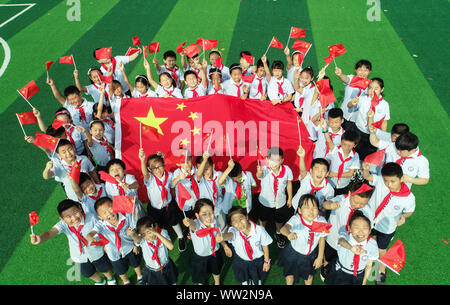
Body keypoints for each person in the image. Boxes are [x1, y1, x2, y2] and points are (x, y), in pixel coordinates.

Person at [30, 199, 116, 285]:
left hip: (97, 251)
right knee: (87, 273)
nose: (74, 218)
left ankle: (110, 278)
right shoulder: (63, 224)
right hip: (79, 256)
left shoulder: (91, 217)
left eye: (75, 212)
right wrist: (39, 238)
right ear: (62, 219)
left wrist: (105, 245)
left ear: (79, 208)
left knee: (105, 268)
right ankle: (100, 281)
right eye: (68, 216)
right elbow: (49, 233)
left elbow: (102, 230)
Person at [362, 162, 415, 285]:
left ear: (401, 179)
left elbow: (409, 211)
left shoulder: (409, 198)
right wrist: (365, 170)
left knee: (381, 250)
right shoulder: (381, 181)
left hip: (386, 228)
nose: (389, 184)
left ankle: (381, 272)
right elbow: (368, 177)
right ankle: (363, 264)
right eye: (386, 181)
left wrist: (403, 217)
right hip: (369, 220)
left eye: (392, 181)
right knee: (367, 242)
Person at [321, 182, 374, 280]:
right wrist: (330, 205)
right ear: (350, 193)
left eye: (362, 203)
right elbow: (325, 204)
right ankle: (326, 266)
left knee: (344, 260)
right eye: (355, 201)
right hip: (333, 239)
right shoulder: (340, 200)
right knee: (328, 257)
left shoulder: (368, 211)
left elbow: (369, 228)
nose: (358, 205)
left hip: (351, 244)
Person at [86, 197, 143, 285]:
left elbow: (136, 231)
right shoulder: (100, 224)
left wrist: (136, 245)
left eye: (110, 208)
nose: (109, 213)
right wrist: (90, 236)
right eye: (104, 213)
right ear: (100, 217)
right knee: (120, 271)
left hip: (130, 248)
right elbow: (92, 233)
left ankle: (140, 276)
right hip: (114, 253)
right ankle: (126, 281)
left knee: (136, 263)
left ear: (116, 206)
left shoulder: (127, 216)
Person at [139, 149, 186, 252]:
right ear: (149, 169)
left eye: (159, 166)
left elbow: (172, 184)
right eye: (154, 168)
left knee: (174, 222)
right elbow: (145, 174)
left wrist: (178, 178)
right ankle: (161, 239)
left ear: (164, 165)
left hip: (168, 205)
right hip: (155, 208)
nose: (158, 170)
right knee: (157, 224)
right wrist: (142, 160)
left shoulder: (169, 175)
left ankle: (180, 236)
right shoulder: (150, 178)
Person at [278, 194, 328, 285]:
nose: (311, 210)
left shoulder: (321, 221)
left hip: (311, 254)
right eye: (306, 207)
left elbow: (321, 239)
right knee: (290, 274)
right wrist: (288, 234)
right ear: (300, 210)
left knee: (309, 276)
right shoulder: (296, 219)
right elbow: (283, 228)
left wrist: (320, 257)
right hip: (293, 253)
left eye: (314, 207)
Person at [216, 206, 272, 285]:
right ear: (232, 224)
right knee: (243, 275)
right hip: (241, 260)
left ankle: (256, 280)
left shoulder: (259, 230)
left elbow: (265, 246)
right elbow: (229, 235)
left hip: (257, 260)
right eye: (235, 221)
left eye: (241, 219)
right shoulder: (233, 230)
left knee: (257, 277)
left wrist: (266, 261)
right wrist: (222, 236)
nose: (239, 224)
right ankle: (245, 281)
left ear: (246, 217)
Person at [182, 199, 232, 285]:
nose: (209, 217)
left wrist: (225, 246)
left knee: (216, 270)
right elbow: (192, 224)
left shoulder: (215, 221)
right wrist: (188, 222)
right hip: (200, 257)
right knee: (200, 276)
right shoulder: (196, 225)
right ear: (197, 215)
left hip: (215, 253)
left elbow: (218, 236)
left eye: (211, 213)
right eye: (204, 214)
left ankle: (217, 283)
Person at [325, 211, 378, 285]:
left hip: (358, 275)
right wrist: (351, 248)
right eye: (356, 228)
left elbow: (369, 265)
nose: (360, 232)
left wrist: (364, 281)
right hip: (340, 272)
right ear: (349, 228)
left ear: (369, 230)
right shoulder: (345, 235)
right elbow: (341, 241)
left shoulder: (372, 244)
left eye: (365, 228)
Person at [256, 147, 293, 248]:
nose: (274, 162)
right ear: (267, 159)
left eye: (277, 160)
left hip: (280, 201)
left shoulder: (287, 170)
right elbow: (259, 175)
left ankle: (278, 233)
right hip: (265, 201)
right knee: (263, 219)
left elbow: (289, 183)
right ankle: (261, 233)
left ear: (282, 160)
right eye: (271, 159)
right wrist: (259, 171)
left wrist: (290, 197)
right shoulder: (264, 169)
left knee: (279, 220)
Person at [127, 215, 179, 285]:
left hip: (166, 267)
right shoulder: (142, 238)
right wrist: (132, 235)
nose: (148, 236)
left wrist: (156, 233)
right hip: (151, 270)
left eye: (149, 232)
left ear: (155, 226)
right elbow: (137, 239)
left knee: (171, 281)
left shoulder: (162, 232)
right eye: (143, 234)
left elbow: (171, 247)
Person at [353, 78, 390, 159]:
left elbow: (384, 121)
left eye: (376, 88)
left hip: (372, 135)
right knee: (354, 152)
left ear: (382, 89)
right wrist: (351, 103)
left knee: (366, 156)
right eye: (370, 88)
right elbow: (350, 106)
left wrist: (383, 135)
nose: (372, 91)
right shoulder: (362, 99)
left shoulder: (385, 105)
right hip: (358, 131)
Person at [293, 146, 334, 214]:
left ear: (327, 173)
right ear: (311, 171)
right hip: (298, 207)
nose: (319, 172)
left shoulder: (329, 188)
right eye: (317, 169)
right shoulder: (307, 178)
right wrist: (302, 157)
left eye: (323, 170)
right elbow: (302, 170)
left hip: (314, 212)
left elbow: (327, 203)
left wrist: (322, 211)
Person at [335, 59, 372, 126]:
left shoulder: (370, 85)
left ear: (369, 71)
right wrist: (340, 74)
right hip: (343, 114)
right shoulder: (352, 78)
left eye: (366, 70)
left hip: (356, 119)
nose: (363, 73)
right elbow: (345, 79)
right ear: (356, 70)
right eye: (360, 70)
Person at [324, 130, 361, 196]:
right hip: (330, 182)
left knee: (338, 201)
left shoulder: (355, 156)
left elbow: (350, 174)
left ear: (355, 145)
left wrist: (333, 174)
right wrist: (324, 129)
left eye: (349, 145)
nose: (346, 147)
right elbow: (329, 140)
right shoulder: (335, 149)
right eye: (344, 144)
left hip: (343, 185)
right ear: (341, 141)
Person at [195, 152, 226, 230]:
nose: (204, 172)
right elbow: (199, 174)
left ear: (213, 166)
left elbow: (226, 183)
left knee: (222, 227)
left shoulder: (219, 175)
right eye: (201, 169)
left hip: (219, 208)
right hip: (206, 211)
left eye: (206, 168)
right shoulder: (200, 179)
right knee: (209, 229)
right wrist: (204, 160)